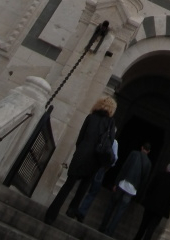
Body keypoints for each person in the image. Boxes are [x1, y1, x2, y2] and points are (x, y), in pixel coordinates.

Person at [44, 96, 117, 225]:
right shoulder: (110, 123)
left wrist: (81, 150)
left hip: (81, 154)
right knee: (84, 186)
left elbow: (80, 137)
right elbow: (109, 143)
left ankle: (51, 214)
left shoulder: (90, 117)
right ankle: (72, 210)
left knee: (68, 185)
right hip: (95, 158)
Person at [99, 142, 152, 237]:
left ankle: (103, 226)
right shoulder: (148, 164)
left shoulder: (134, 154)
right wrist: (138, 194)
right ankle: (110, 231)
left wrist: (116, 182)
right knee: (120, 211)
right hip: (132, 189)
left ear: (142, 147)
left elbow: (124, 168)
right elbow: (144, 181)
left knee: (111, 205)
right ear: (148, 151)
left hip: (123, 183)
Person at [69, 138, 118, 222]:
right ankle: (81, 211)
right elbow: (114, 159)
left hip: (91, 162)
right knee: (93, 191)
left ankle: (73, 208)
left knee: (83, 185)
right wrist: (107, 167)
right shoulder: (114, 142)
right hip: (101, 168)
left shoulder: (101, 134)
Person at [132, 163, 170, 240]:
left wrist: (148, 198)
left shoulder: (159, 175)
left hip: (150, 205)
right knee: (151, 229)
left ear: (166, 169)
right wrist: (167, 207)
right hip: (160, 210)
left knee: (143, 226)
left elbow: (149, 188)